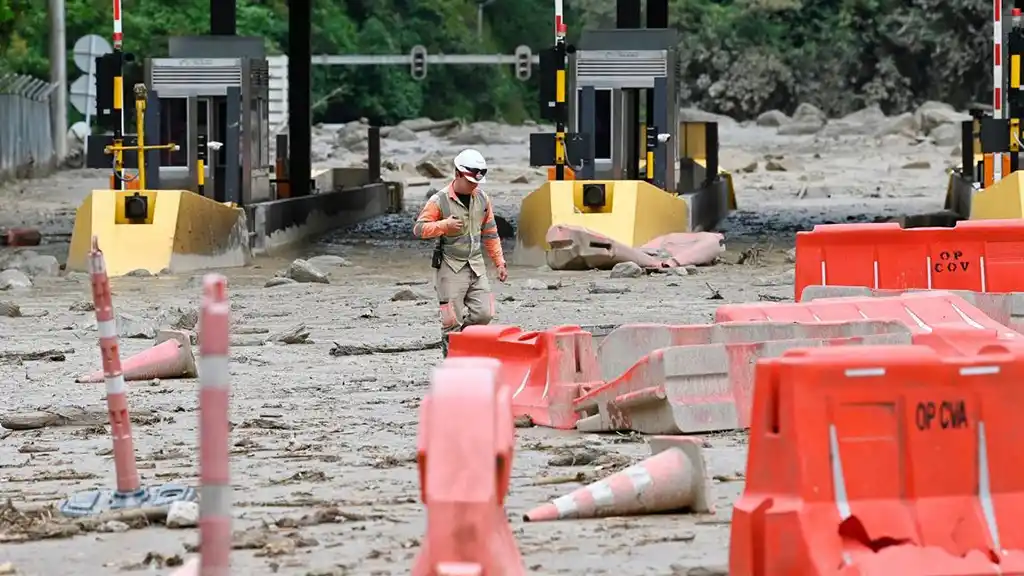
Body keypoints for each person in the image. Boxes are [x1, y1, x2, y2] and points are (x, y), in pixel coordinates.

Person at [413, 148, 508, 357]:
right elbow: (419, 229)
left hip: (476, 265)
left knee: (485, 312)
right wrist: (444, 226)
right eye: (470, 181)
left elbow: (491, 233)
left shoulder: (482, 199)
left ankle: (465, 342)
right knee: (451, 321)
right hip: (450, 266)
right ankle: (453, 363)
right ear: (457, 174)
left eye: (476, 182)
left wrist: (499, 262)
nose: (474, 186)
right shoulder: (439, 200)